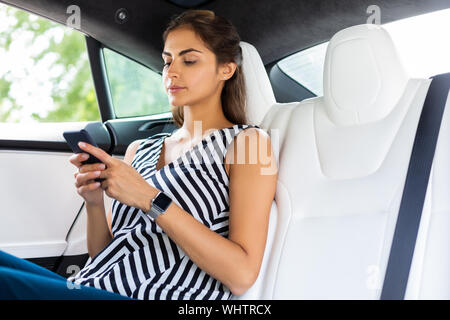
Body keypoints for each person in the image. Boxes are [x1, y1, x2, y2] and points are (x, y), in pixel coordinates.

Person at [0, 9, 277, 300]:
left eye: (189, 60)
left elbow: (242, 275)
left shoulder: (247, 144)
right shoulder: (140, 150)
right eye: (167, 61)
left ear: (226, 69)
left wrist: (150, 198)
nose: (171, 72)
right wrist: (94, 203)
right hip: (93, 284)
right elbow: (104, 255)